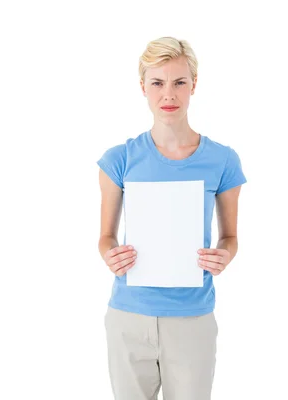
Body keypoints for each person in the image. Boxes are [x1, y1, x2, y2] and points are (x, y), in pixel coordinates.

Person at [96, 36, 247, 400]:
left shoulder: (223, 160)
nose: (169, 94)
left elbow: (230, 238)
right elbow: (105, 237)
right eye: (157, 83)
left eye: (179, 82)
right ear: (143, 88)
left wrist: (224, 255)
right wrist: (110, 254)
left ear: (194, 84)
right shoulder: (119, 159)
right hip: (129, 317)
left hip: (192, 318)